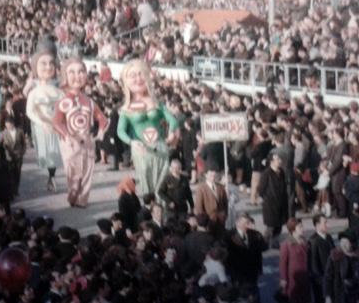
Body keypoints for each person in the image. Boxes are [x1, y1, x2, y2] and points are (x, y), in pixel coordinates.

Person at [117, 59, 179, 196]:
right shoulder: (126, 109)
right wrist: (131, 141)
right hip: (141, 149)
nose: (138, 79)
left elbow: (172, 120)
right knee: (146, 180)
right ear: (126, 81)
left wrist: (171, 132)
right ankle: (150, 209)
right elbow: (120, 131)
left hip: (160, 146)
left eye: (141, 74)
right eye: (133, 76)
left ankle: (162, 208)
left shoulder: (157, 103)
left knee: (162, 182)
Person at [53, 58, 108, 208]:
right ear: (65, 75)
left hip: (88, 140)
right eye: (72, 72)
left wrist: (101, 132)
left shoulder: (89, 101)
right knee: (74, 174)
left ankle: (82, 200)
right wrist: (67, 136)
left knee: (87, 172)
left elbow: (102, 119)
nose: (77, 76)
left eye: (81, 71)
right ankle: (73, 195)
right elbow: (57, 122)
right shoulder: (62, 101)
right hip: (70, 143)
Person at [26, 38, 63, 192]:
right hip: (41, 125)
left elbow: (64, 108)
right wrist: (42, 122)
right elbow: (30, 111)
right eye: (43, 64)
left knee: (55, 154)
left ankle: (52, 177)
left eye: (51, 64)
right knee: (46, 154)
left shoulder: (59, 90)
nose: (48, 67)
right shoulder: (34, 91)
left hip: (55, 126)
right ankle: (50, 176)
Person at [226, 212, 267, 302]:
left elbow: (264, 247)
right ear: (237, 223)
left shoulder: (255, 234)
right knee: (240, 295)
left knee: (254, 294)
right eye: (245, 223)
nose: (248, 225)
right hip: (238, 272)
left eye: (248, 223)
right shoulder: (229, 235)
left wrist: (259, 235)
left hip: (252, 270)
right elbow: (227, 255)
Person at [324, 229, 359, 303]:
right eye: (341, 241)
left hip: (357, 295)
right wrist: (328, 296)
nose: (343, 244)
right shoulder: (335, 256)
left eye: (346, 242)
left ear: (352, 243)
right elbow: (328, 277)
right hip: (340, 295)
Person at [258, 153, 288, 248]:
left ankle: (275, 243)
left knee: (279, 226)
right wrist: (268, 198)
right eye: (277, 159)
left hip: (281, 203)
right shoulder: (266, 174)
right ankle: (265, 244)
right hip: (270, 205)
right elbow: (261, 189)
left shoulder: (281, 172)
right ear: (271, 162)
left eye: (279, 159)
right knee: (270, 226)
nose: (280, 161)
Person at [279, 218, 310, 303]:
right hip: (294, 280)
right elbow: (283, 263)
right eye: (300, 227)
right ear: (293, 229)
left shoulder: (304, 240)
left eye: (302, 226)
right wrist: (283, 279)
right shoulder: (286, 244)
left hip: (305, 277)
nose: (303, 229)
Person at [308, 214, 335, 303]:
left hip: (332, 278)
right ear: (317, 225)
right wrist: (322, 281)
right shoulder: (313, 241)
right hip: (321, 282)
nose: (328, 225)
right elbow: (314, 265)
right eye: (325, 223)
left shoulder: (329, 237)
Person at [194, 167, 228, 237]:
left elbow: (225, 203)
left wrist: (225, 215)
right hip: (209, 220)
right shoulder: (201, 188)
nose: (213, 177)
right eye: (211, 175)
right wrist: (203, 221)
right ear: (206, 175)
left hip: (221, 220)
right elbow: (199, 206)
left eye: (214, 175)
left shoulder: (221, 187)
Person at [1, 117, 26, 197]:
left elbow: (24, 143)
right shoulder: (3, 133)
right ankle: (12, 190)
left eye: (9, 125)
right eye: (6, 125)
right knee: (10, 174)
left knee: (17, 173)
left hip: (18, 156)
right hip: (9, 157)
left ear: (12, 124)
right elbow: (0, 144)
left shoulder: (20, 131)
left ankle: (16, 190)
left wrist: (22, 152)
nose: (7, 127)